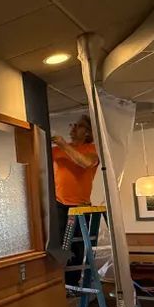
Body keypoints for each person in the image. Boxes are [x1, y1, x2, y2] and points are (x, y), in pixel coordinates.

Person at [51, 116, 99, 271]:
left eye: (78, 125)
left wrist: (63, 145)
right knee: (58, 245)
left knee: (76, 247)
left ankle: (74, 281)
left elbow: (85, 162)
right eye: (72, 123)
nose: (73, 127)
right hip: (59, 203)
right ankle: (60, 282)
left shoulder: (91, 149)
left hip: (80, 206)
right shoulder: (56, 150)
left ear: (87, 132)